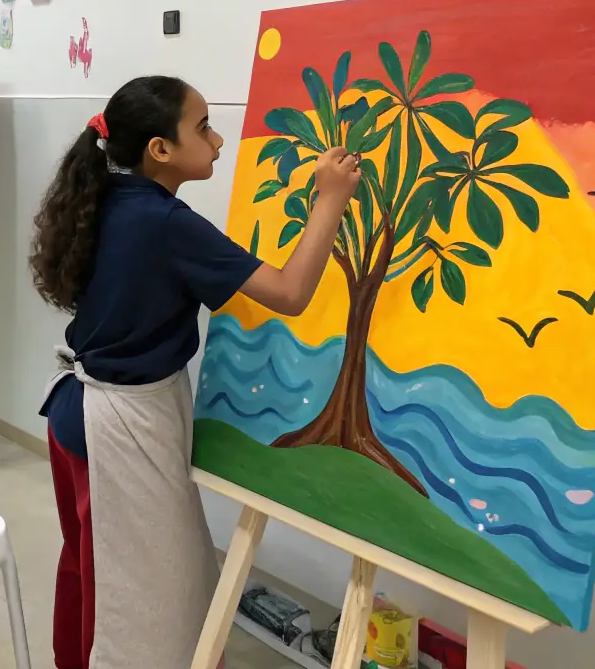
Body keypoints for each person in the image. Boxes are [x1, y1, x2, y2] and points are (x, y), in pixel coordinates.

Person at [28, 76, 362, 669]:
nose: (218, 139)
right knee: (134, 593)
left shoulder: (109, 197)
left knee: (94, 566)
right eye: (202, 127)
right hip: (116, 427)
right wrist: (329, 199)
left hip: (76, 416)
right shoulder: (165, 222)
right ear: (161, 149)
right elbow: (289, 292)